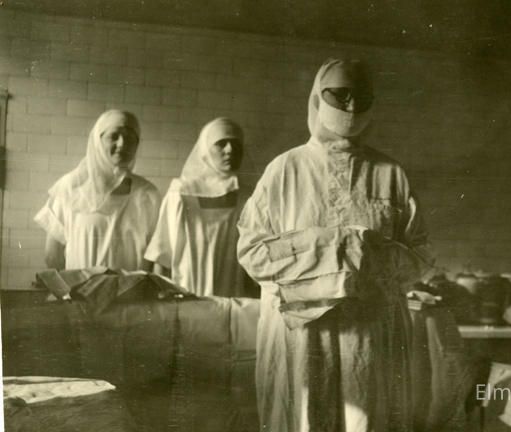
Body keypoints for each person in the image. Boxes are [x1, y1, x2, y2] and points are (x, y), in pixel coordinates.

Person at [237, 58, 432, 431]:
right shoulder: (286, 170)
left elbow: (420, 256)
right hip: (303, 333)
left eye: (361, 97)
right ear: (318, 97)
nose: (351, 106)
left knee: (366, 419)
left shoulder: (390, 175)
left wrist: (373, 255)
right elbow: (252, 252)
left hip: (370, 332)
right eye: (340, 95)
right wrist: (331, 249)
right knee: (307, 417)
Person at [34, 109, 160, 271]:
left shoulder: (148, 194)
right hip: (80, 287)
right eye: (114, 136)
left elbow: (155, 257)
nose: (122, 144)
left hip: (132, 288)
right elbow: (53, 256)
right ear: (98, 140)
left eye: (130, 138)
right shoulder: (70, 188)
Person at [145, 117, 247, 297]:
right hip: (187, 290)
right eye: (221, 143)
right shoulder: (182, 193)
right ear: (206, 149)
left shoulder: (246, 197)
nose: (230, 150)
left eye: (235, 144)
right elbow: (162, 253)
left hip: (232, 295)